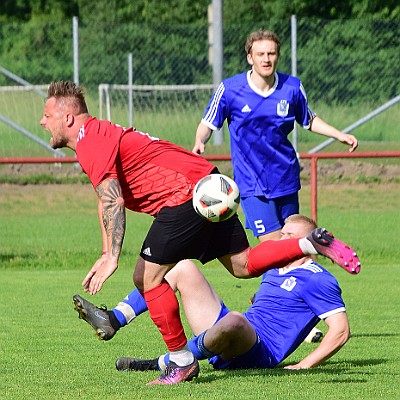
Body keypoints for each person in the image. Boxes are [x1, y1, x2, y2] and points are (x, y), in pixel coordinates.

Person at [40, 80, 360, 385]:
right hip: (209, 184)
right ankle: (308, 243)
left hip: (185, 195)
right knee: (243, 265)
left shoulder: (89, 139)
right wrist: (104, 249)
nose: (42, 122)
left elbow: (113, 198)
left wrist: (112, 258)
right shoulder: (98, 135)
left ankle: (181, 362)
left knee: (147, 277)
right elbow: (104, 198)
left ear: (67, 117)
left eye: (47, 115)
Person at [75, 215, 351, 380]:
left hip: (258, 350)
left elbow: (340, 331)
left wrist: (304, 365)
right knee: (183, 267)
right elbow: (271, 305)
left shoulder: (318, 278)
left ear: (309, 244)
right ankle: (113, 318)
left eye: (290, 236)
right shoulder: (274, 269)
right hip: (235, 335)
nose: (282, 239)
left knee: (234, 320)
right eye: (283, 234)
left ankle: (164, 363)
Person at [193, 30, 359, 242]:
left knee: (291, 245)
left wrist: (339, 134)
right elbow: (207, 123)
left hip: (286, 178)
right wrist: (200, 140)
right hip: (252, 184)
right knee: (272, 248)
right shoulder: (230, 89)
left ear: (278, 56)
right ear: (249, 58)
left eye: (271, 53)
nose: (266, 59)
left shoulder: (292, 87)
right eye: (260, 54)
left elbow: (308, 119)